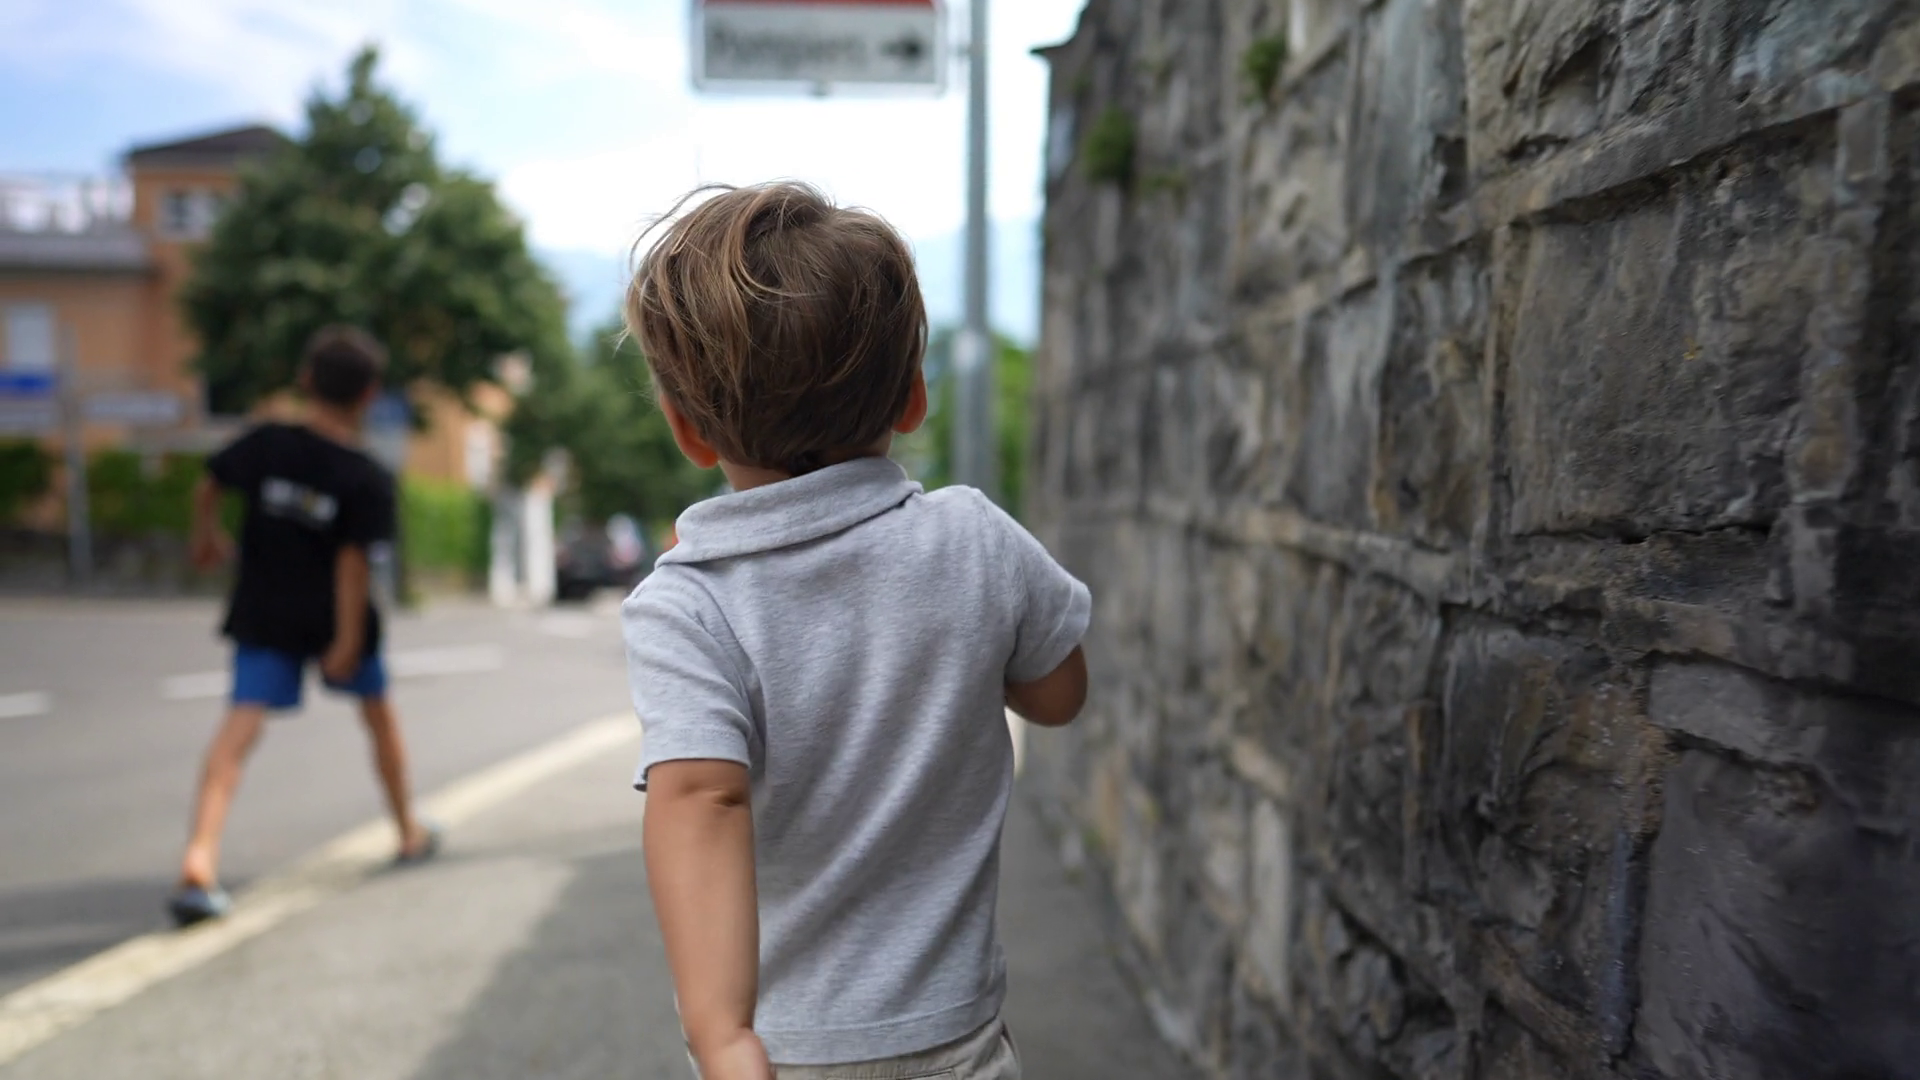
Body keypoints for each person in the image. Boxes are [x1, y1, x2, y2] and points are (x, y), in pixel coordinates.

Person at [623, 182, 1091, 1080]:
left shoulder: (687, 601)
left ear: (686, 430)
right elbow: (1059, 694)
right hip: (956, 1036)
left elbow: (700, 800)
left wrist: (722, 1035)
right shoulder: (975, 539)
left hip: (786, 1046)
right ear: (912, 398)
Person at [168, 325, 439, 927]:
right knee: (379, 719)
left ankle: (199, 858)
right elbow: (352, 565)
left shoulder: (266, 443)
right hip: (334, 618)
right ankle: (407, 830)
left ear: (305, 379)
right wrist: (346, 640)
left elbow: (208, 485)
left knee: (238, 733)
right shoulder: (366, 477)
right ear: (369, 395)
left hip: (265, 612)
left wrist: (206, 540)